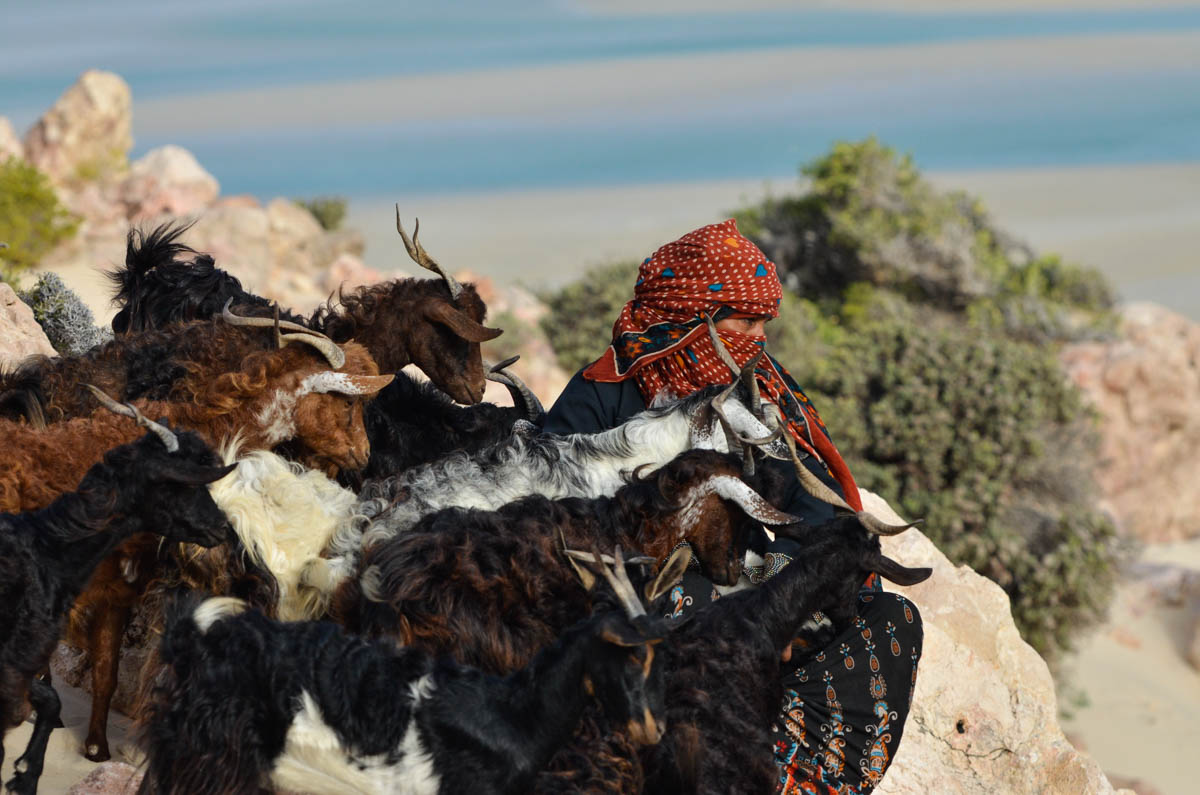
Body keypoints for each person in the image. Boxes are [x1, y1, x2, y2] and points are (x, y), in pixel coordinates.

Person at [543, 219, 923, 794]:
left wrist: (817, 561)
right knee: (687, 607)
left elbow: (806, 493)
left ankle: (797, 777)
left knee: (885, 616)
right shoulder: (599, 395)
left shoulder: (757, 389)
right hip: (645, 587)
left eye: (765, 323)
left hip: (743, 582)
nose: (758, 338)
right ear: (691, 315)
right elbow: (556, 523)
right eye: (745, 321)